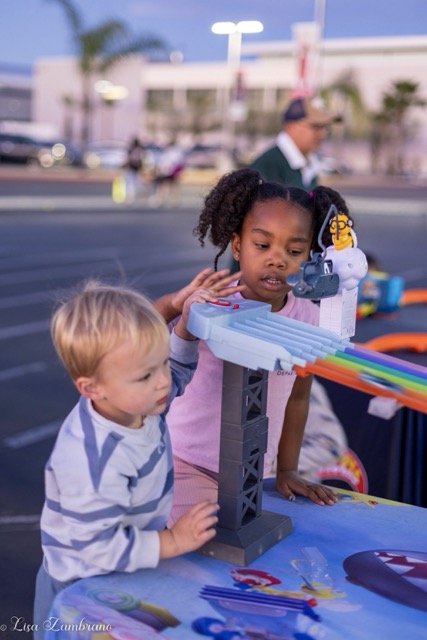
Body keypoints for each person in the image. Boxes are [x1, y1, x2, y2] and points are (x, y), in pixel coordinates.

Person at [160, 168, 354, 526]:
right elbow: (143, 328)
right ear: (237, 245)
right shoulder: (212, 300)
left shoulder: (308, 319)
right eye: (262, 245)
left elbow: (298, 397)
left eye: (294, 250)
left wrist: (288, 469)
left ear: (309, 255)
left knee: (253, 542)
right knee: (205, 539)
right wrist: (176, 303)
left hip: (252, 473)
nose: (277, 259)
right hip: (185, 460)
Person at [33, 279, 220, 634]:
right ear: (92, 388)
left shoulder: (138, 401)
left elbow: (176, 374)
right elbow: (96, 547)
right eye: (146, 374)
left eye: (161, 362)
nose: (162, 381)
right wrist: (173, 541)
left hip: (121, 567)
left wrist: (183, 329)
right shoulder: (94, 459)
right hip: (78, 587)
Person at [250, 95, 341, 190]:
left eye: (325, 127)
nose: (322, 134)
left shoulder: (309, 163)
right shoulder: (268, 166)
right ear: (291, 126)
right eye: (315, 126)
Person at [122, 136, 144, 204]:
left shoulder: (133, 150)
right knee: (133, 184)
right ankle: (132, 198)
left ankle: (130, 198)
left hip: (131, 169)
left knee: (130, 184)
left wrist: (124, 165)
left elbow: (129, 159)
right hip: (134, 169)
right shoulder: (139, 150)